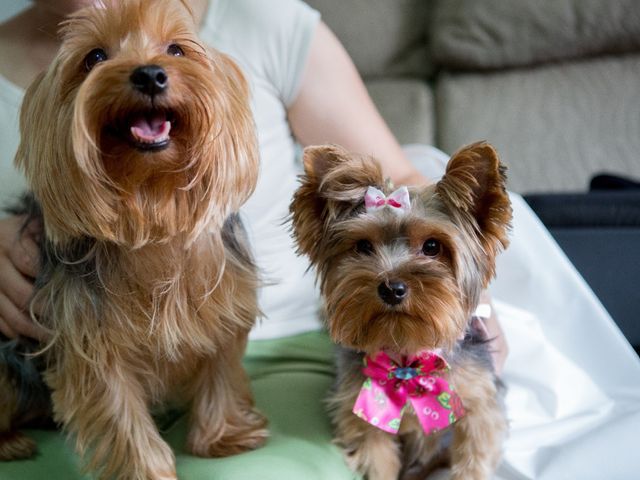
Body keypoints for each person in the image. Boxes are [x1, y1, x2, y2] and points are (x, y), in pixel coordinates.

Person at [1, 1, 639, 479]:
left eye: (176, 49)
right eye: (94, 58)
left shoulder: (264, 20)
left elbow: (410, 185)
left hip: (280, 352)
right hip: (49, 362)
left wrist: (468, 298)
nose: (145, 70)